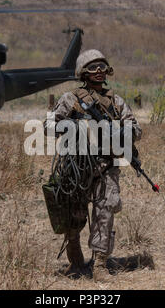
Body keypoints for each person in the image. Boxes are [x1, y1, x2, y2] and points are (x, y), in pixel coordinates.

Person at [43, 49, 142, 281]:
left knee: (105, 212)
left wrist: (121, 132)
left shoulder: (116, 101)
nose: (98, 71)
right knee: (74, 213)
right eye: (92, 67)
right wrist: (74, 127)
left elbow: (136, 129)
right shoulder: (71, 99)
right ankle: (75, 258)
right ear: (83, 72)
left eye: (102, 66)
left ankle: (99, 264)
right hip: (77, 167)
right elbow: (48, 126)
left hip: (106, 165)